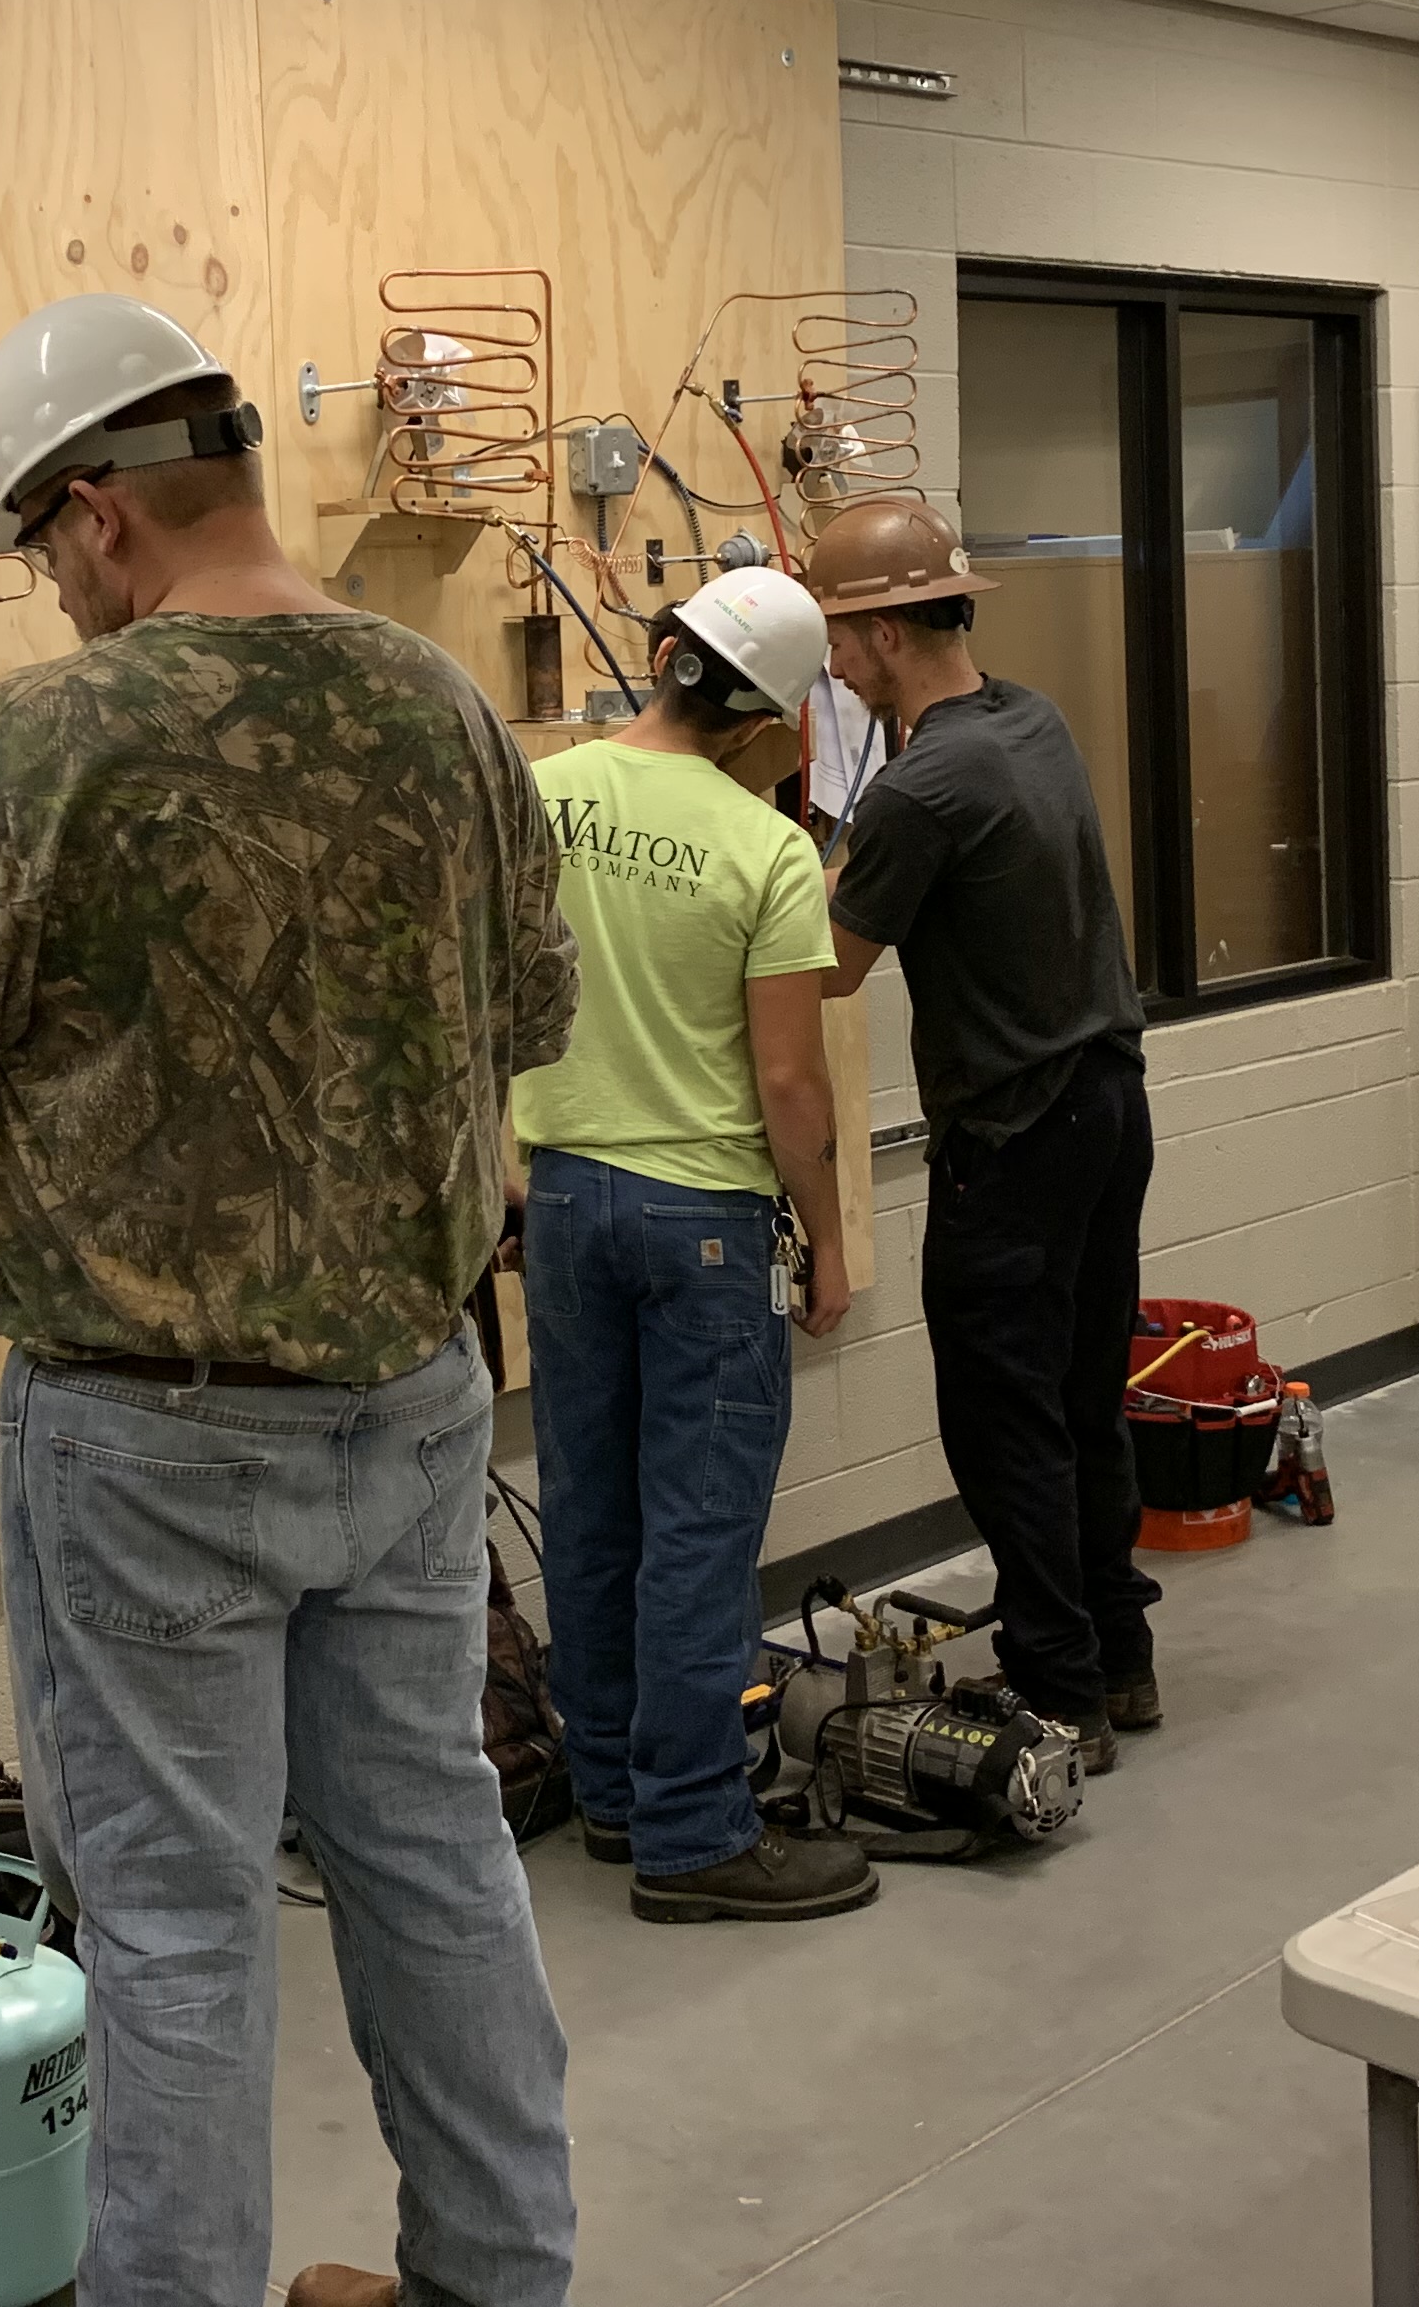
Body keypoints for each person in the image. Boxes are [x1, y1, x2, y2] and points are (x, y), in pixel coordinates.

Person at [0, 292, 578, 2307]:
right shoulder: (443, 709)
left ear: (96, 511)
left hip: (147, 1438)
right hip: (415, 1403)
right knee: (433, 1853)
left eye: (40, 550)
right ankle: (500, 2277)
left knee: (170, 1923)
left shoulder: (44, 743)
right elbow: (535, 1011)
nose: (54, 591)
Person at [516, 567, 870, 1925]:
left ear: (664, 653)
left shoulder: (538, 797)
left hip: (563, 1203)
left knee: (591, 1512)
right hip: (703, 1223)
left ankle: (613, 1790)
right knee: (699, 1532)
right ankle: (694, 1831)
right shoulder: (765, 851)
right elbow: (788, 1081)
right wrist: (827, 1239)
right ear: (769, 722)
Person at [811, 496, 1156, 1777]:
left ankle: (1059, 1696)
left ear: (889, 632)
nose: (833, 662)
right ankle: (1117, 1659)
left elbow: (831, 966)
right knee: (1082, 1397)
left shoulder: (923, 788)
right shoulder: (1030, 719)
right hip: (1106, 1106)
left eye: (840, 635)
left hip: (1013, 1136)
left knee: (1005, 1421)